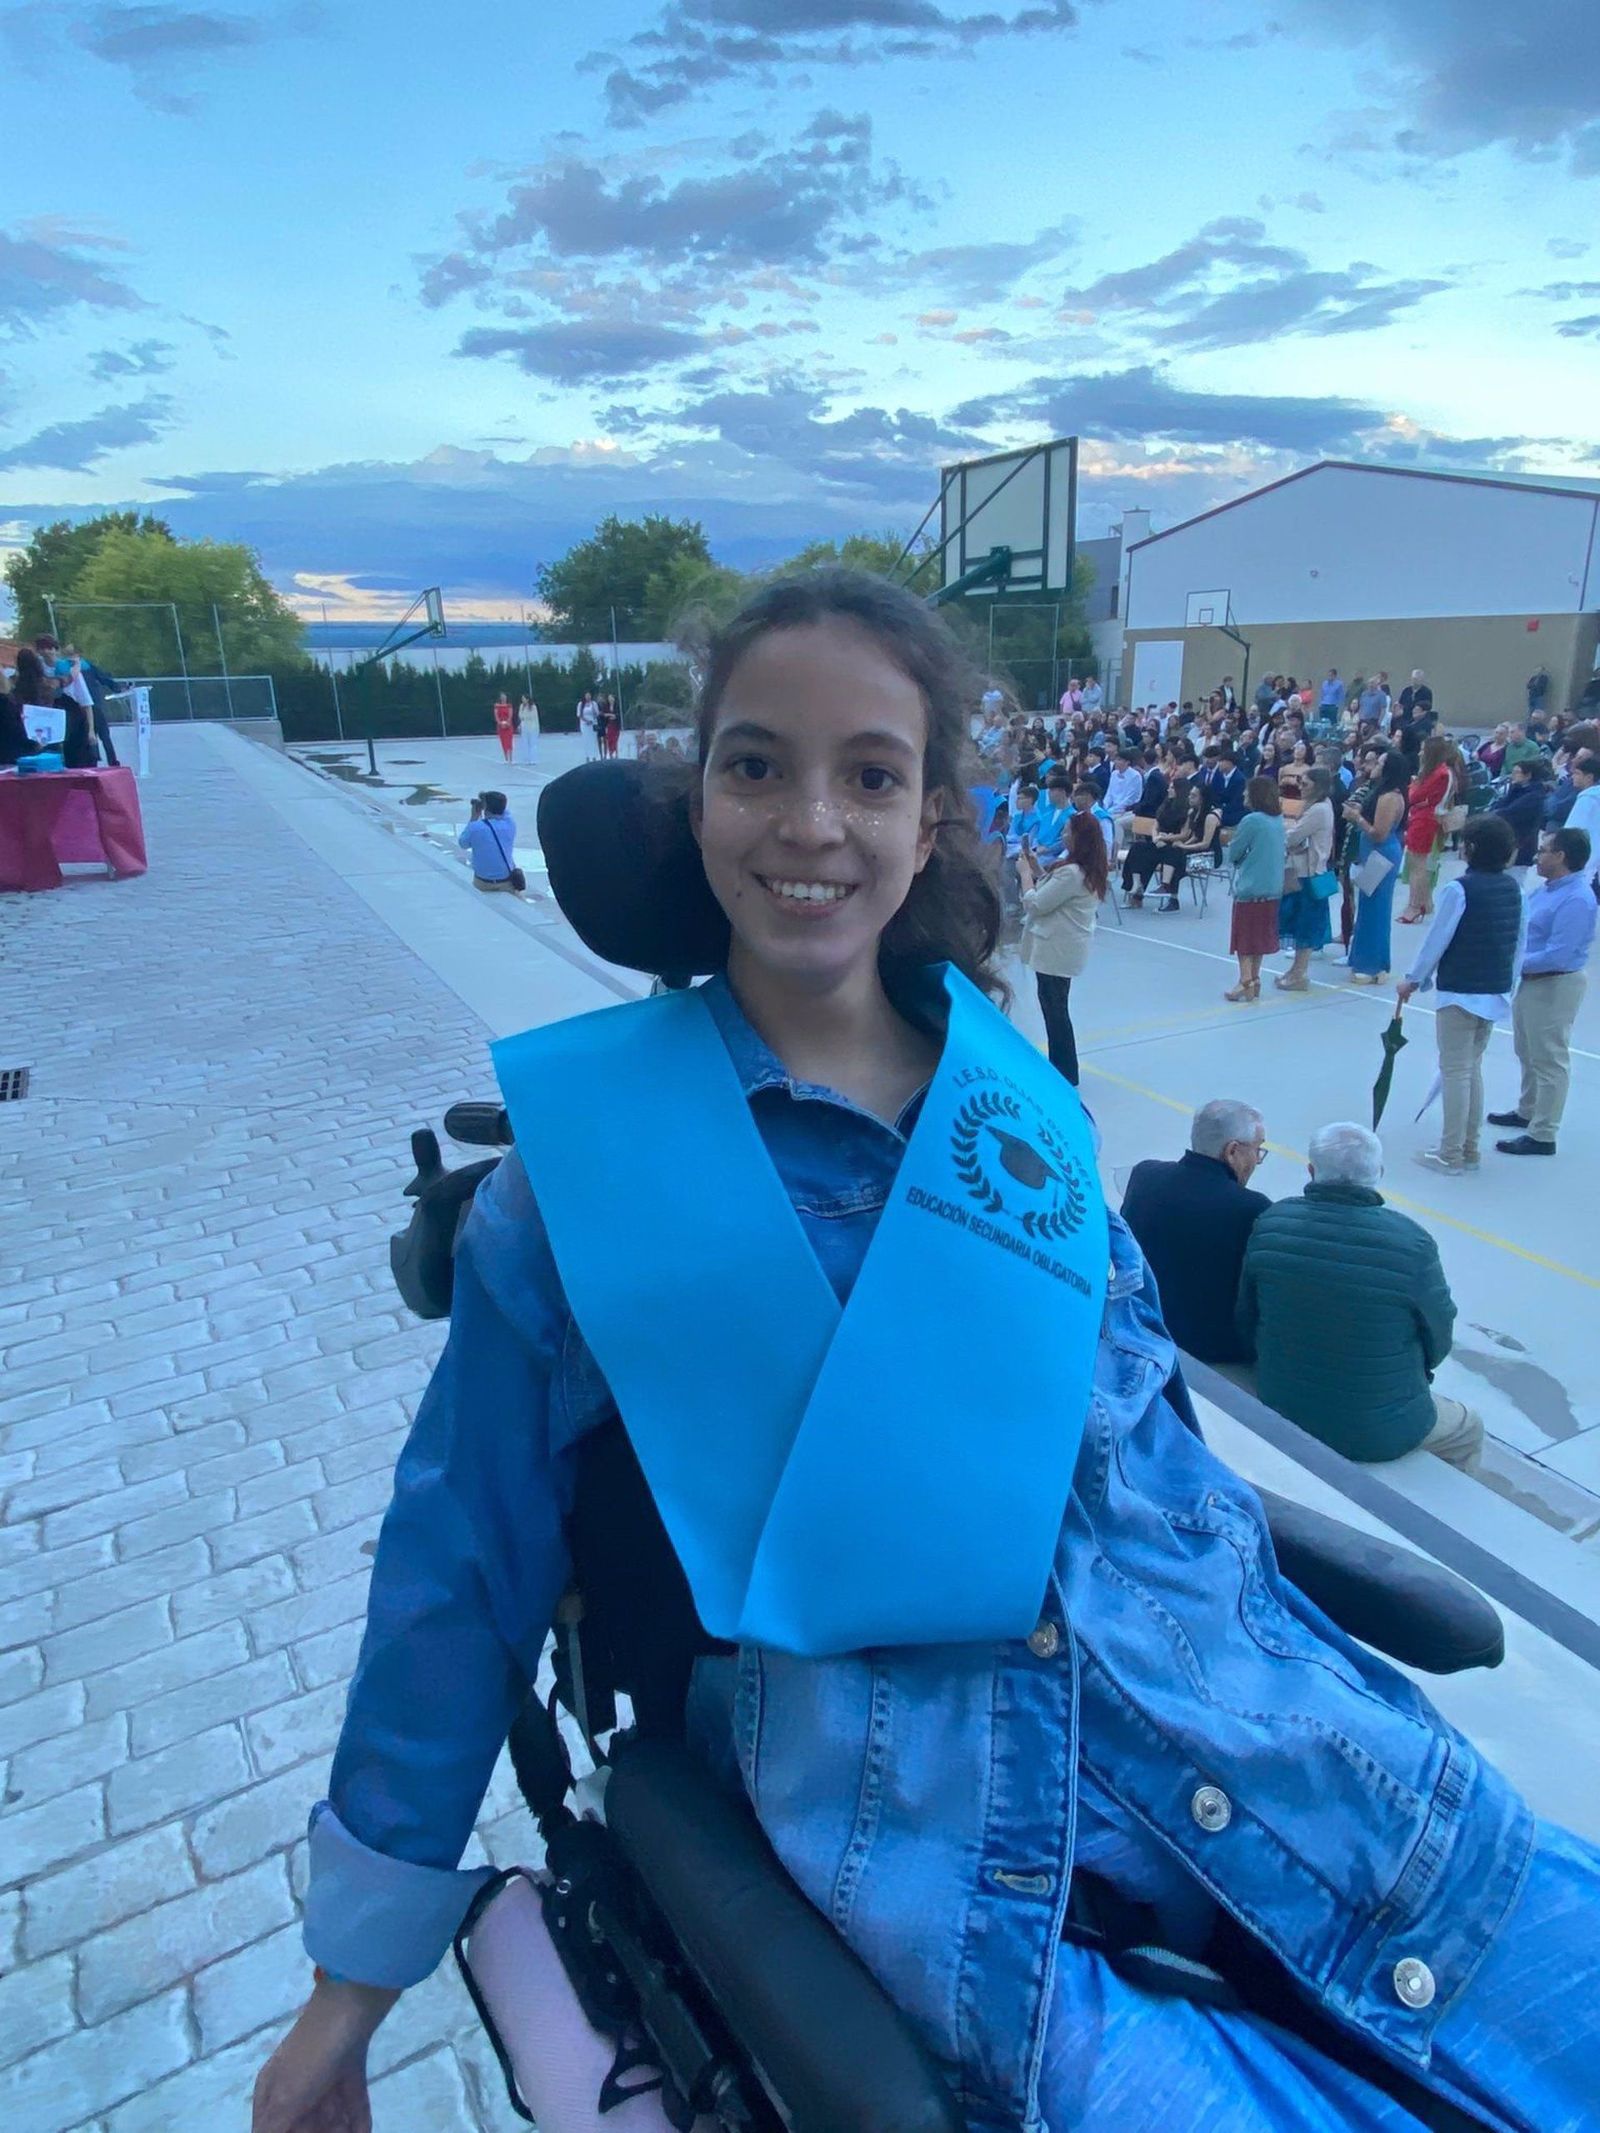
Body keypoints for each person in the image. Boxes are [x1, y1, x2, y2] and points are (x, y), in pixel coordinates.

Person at [258, 567, 1600, 2133]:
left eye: (871, 776)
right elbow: (458, 1566)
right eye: (757, 766)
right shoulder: (579, 1189)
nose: (812, 823)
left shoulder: (1018, 1110)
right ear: (698, 805)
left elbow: (1154, 1447)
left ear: (929, 817)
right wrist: (350, 1988)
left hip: (1304, 1752)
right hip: (983, 1901)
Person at [1238, 1123, 1483, 1468]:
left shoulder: (1272, 1222)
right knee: (1469, 1428)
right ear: (1378, 1173)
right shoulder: (1412, 1243)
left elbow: (1247, 1317)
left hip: (1282, 1403)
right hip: (1381, 1431)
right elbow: (1439, 1337)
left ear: (1311, 1171)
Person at [1400, 812, 1525, 1177]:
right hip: (1494, 990)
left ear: (1470, 848)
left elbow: (1436, 940)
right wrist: (1509, 985)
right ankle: (1469, 1148)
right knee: (1471, 1068)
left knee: (1454, 1071)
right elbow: (1519, 943)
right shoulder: (1515, 890)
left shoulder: (1460, 890)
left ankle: (1450, 1152)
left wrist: (1413, 979)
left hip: (1460, 992)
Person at [1120, 1099, 1269, 1364]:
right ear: (1232, 1151)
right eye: (1257, 1150)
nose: (1257, 1161)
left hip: (1136, 1320)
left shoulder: (1145, 1175)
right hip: (1209, 1348)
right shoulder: (1252, 1209)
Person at [1488, 827, 1596, 1158]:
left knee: (1549, 1058)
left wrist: (1512, 962)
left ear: (1561, 856)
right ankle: (1528, 1110)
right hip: (1533, 981)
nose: (1537, 856)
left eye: (1544, 850)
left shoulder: (1577, 900)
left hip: (1555, 984)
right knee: (1527, 1050)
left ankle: (1544, 1133)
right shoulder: (1547, 890)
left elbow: (1559, 954)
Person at [1018, 806, 1106, 1085]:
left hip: (1055, 949)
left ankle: (1064, 1072)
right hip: (1065, 948)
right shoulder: (1084, 870)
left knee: (1054, 1010)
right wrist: (1037, 869)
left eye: (1067, 831)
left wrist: (1025, 875)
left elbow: (1037, 903)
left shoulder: (1071, 873)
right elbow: (1056, 891)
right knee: (1056, 1007)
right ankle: (1062, 1067)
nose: (1063, 835)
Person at [1343, 747, 1408, 984]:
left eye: (1379, 763)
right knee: (1369, 906)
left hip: (1380, 854)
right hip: (1374, 853)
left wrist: (1356, 818)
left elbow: (1379, 833)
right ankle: (1367, 960)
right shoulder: (1381, 792)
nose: (1374, 767)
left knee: (1375, 909)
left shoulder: (1389, 797)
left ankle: (1371, 965)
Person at [1273, 766, 1336, 991]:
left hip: (1308, 874)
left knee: (1305, 925)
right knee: (1302, 923)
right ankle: (1296, 970)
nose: (1300, 788)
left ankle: (1300, 972)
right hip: (1308, 870)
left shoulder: (1318, 809)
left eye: (1305, 784)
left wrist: (1286, 832)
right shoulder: (1320, 806)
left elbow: (1293, 838)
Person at [1223, 776, 1285, 1002]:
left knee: (1244, 937)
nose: (1244, 795)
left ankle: (1245, 980)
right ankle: (1255, 978)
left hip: (1251, 886)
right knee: (1259, 936)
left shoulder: (1251, 820)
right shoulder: (1278, 820)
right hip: (1273, 887)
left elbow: (1234, 853)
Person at [1399, 734, 1453, 923]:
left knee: (1418, 865)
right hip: (1424, 817)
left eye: (1423, 750)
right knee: (1419, 864)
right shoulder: (1441, 772)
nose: (1420, 753)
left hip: (1424, 821)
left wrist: (1414, 785)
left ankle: (1414, 906)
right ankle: (1426, 903)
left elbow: (1414, 797)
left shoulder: (1439, 774)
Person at [1151, 783, 1219, 911]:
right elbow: (1194, 836)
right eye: (1190, 795)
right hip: (1196, 851)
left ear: (1202, 799)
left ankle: (1171, 896)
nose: (1189, 798)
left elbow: (1205, 843)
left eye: (1193, 796)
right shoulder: (1193, 812)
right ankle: (1167, 890)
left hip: (1209, 856)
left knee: (1176, 860)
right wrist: (1182, 845)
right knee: (1173, 852)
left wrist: (1183, 846)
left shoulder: (1211, 816)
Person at [1121, 789, 1185, 906]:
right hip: (1159, 842)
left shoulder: (1185, 810)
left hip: (1173, 844)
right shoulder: (1165, 805)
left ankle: (1165, 887)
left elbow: (1184, 834)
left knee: (1171, 853)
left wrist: (1165, 838)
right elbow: (1155, 825)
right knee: (1137, 848)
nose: (1168, 789)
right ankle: (1136, 884)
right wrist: (1156, 838)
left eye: (1172, 787)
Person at [1489, 756, 1551, 872]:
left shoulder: (1534, 796)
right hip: (1507, 840)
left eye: (1517, 772)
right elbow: (1500, 804)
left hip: (1521, 845)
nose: (1512, 775)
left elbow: (1509, 813)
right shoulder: (1517, 789)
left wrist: (1493, 814)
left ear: (1528, 775)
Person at [457, 790, 521, 895]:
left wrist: (474, 816)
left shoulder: (475, 827)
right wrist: (487, 802)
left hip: (483, 882)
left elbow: (462, 843)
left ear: (486, 808)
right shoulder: (510, 824)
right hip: (506, 881)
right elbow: (504, 811)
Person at [1564, 750, 1600, 896]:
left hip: (1582, 862)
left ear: (1589, 777)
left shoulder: (1587, 798)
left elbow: (1571, 830)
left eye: (1577, 773)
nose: (1573, 776)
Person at [514, 696, 540, 767]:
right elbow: (520, 716)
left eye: (524, 699)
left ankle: (533, 759)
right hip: (524, 726)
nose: (522, 700)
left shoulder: (533, 707)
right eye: (522, 699)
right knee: (525, 743)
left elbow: (533, 717)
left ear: (527, 699)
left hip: (532, 726)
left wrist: (537, 728)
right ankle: (527, 759)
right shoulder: (521, 706)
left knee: (532, 743)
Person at [492, 693, 515, 765]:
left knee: (509, 742)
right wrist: (500, 723)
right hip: (500, 726)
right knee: (503, 742)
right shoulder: (497, 706)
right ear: (500, 698)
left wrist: (507, 722)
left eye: (505, 697)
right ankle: (506, 758)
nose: (504, 698)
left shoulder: (509, 705)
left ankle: (511, 759)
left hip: (508, 725)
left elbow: (510, 715)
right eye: (502, 697)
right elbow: (496, 716)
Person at [577, 689, 600, 758]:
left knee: (593, 740)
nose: (588, 697)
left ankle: (594, 755)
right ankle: (587, 755)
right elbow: (579, 715)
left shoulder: (594, 703)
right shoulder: (580, 704)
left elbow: (597, 714)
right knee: (586, 740)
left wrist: (592, 717)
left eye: (589, 695)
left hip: (593, 724)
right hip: (584, 724)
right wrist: (586, 721)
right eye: (586, 695)